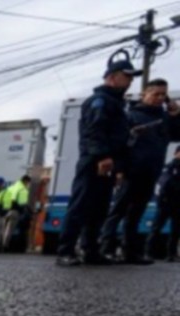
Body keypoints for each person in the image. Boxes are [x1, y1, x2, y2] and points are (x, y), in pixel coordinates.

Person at [56, 54, 140, 267]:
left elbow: (118, 139)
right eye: (126, 76)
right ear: (112, 77)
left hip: (109, 163)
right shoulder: (99, 101)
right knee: (80, 206)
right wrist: (102, 156)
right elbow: (95, 131)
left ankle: (90, 250)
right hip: (94, 161)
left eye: (131, 77)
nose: (130, 81)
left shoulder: (117, 104)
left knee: (99, 209)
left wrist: (119, 166)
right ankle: (65, 251)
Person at [99, 78, 180, 264]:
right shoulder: (131, 116)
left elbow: (177, 136)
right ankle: (105, 249)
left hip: (151, 171)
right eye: (155, 94)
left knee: (136, 213)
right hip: (130, 170)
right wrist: (119, 170)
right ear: (145, 94)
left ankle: (130, 252)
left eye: (163, 95)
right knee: (118, 211)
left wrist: (176, 115)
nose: (159, 98)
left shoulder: (165, 118)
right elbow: (119, 145)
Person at [149, 147, 180, 261]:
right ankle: (149, 252)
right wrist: (162, 198)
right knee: (157, 227)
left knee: (175, 230)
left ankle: (171, 254)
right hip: (166, 201)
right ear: (176, 153)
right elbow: (164, 184)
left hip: (176, 202)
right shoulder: (170, 166)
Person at [2, 174, 32, 252]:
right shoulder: (22, 189)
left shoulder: (12, 187)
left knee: (3, 229)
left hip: (6, 211)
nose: (28, 184)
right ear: (26, 181)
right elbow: (22, 203)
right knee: (9, 230)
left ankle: (0, 244)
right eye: (28, 183)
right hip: (15, 211)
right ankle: (5, 246)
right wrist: (28, 211)